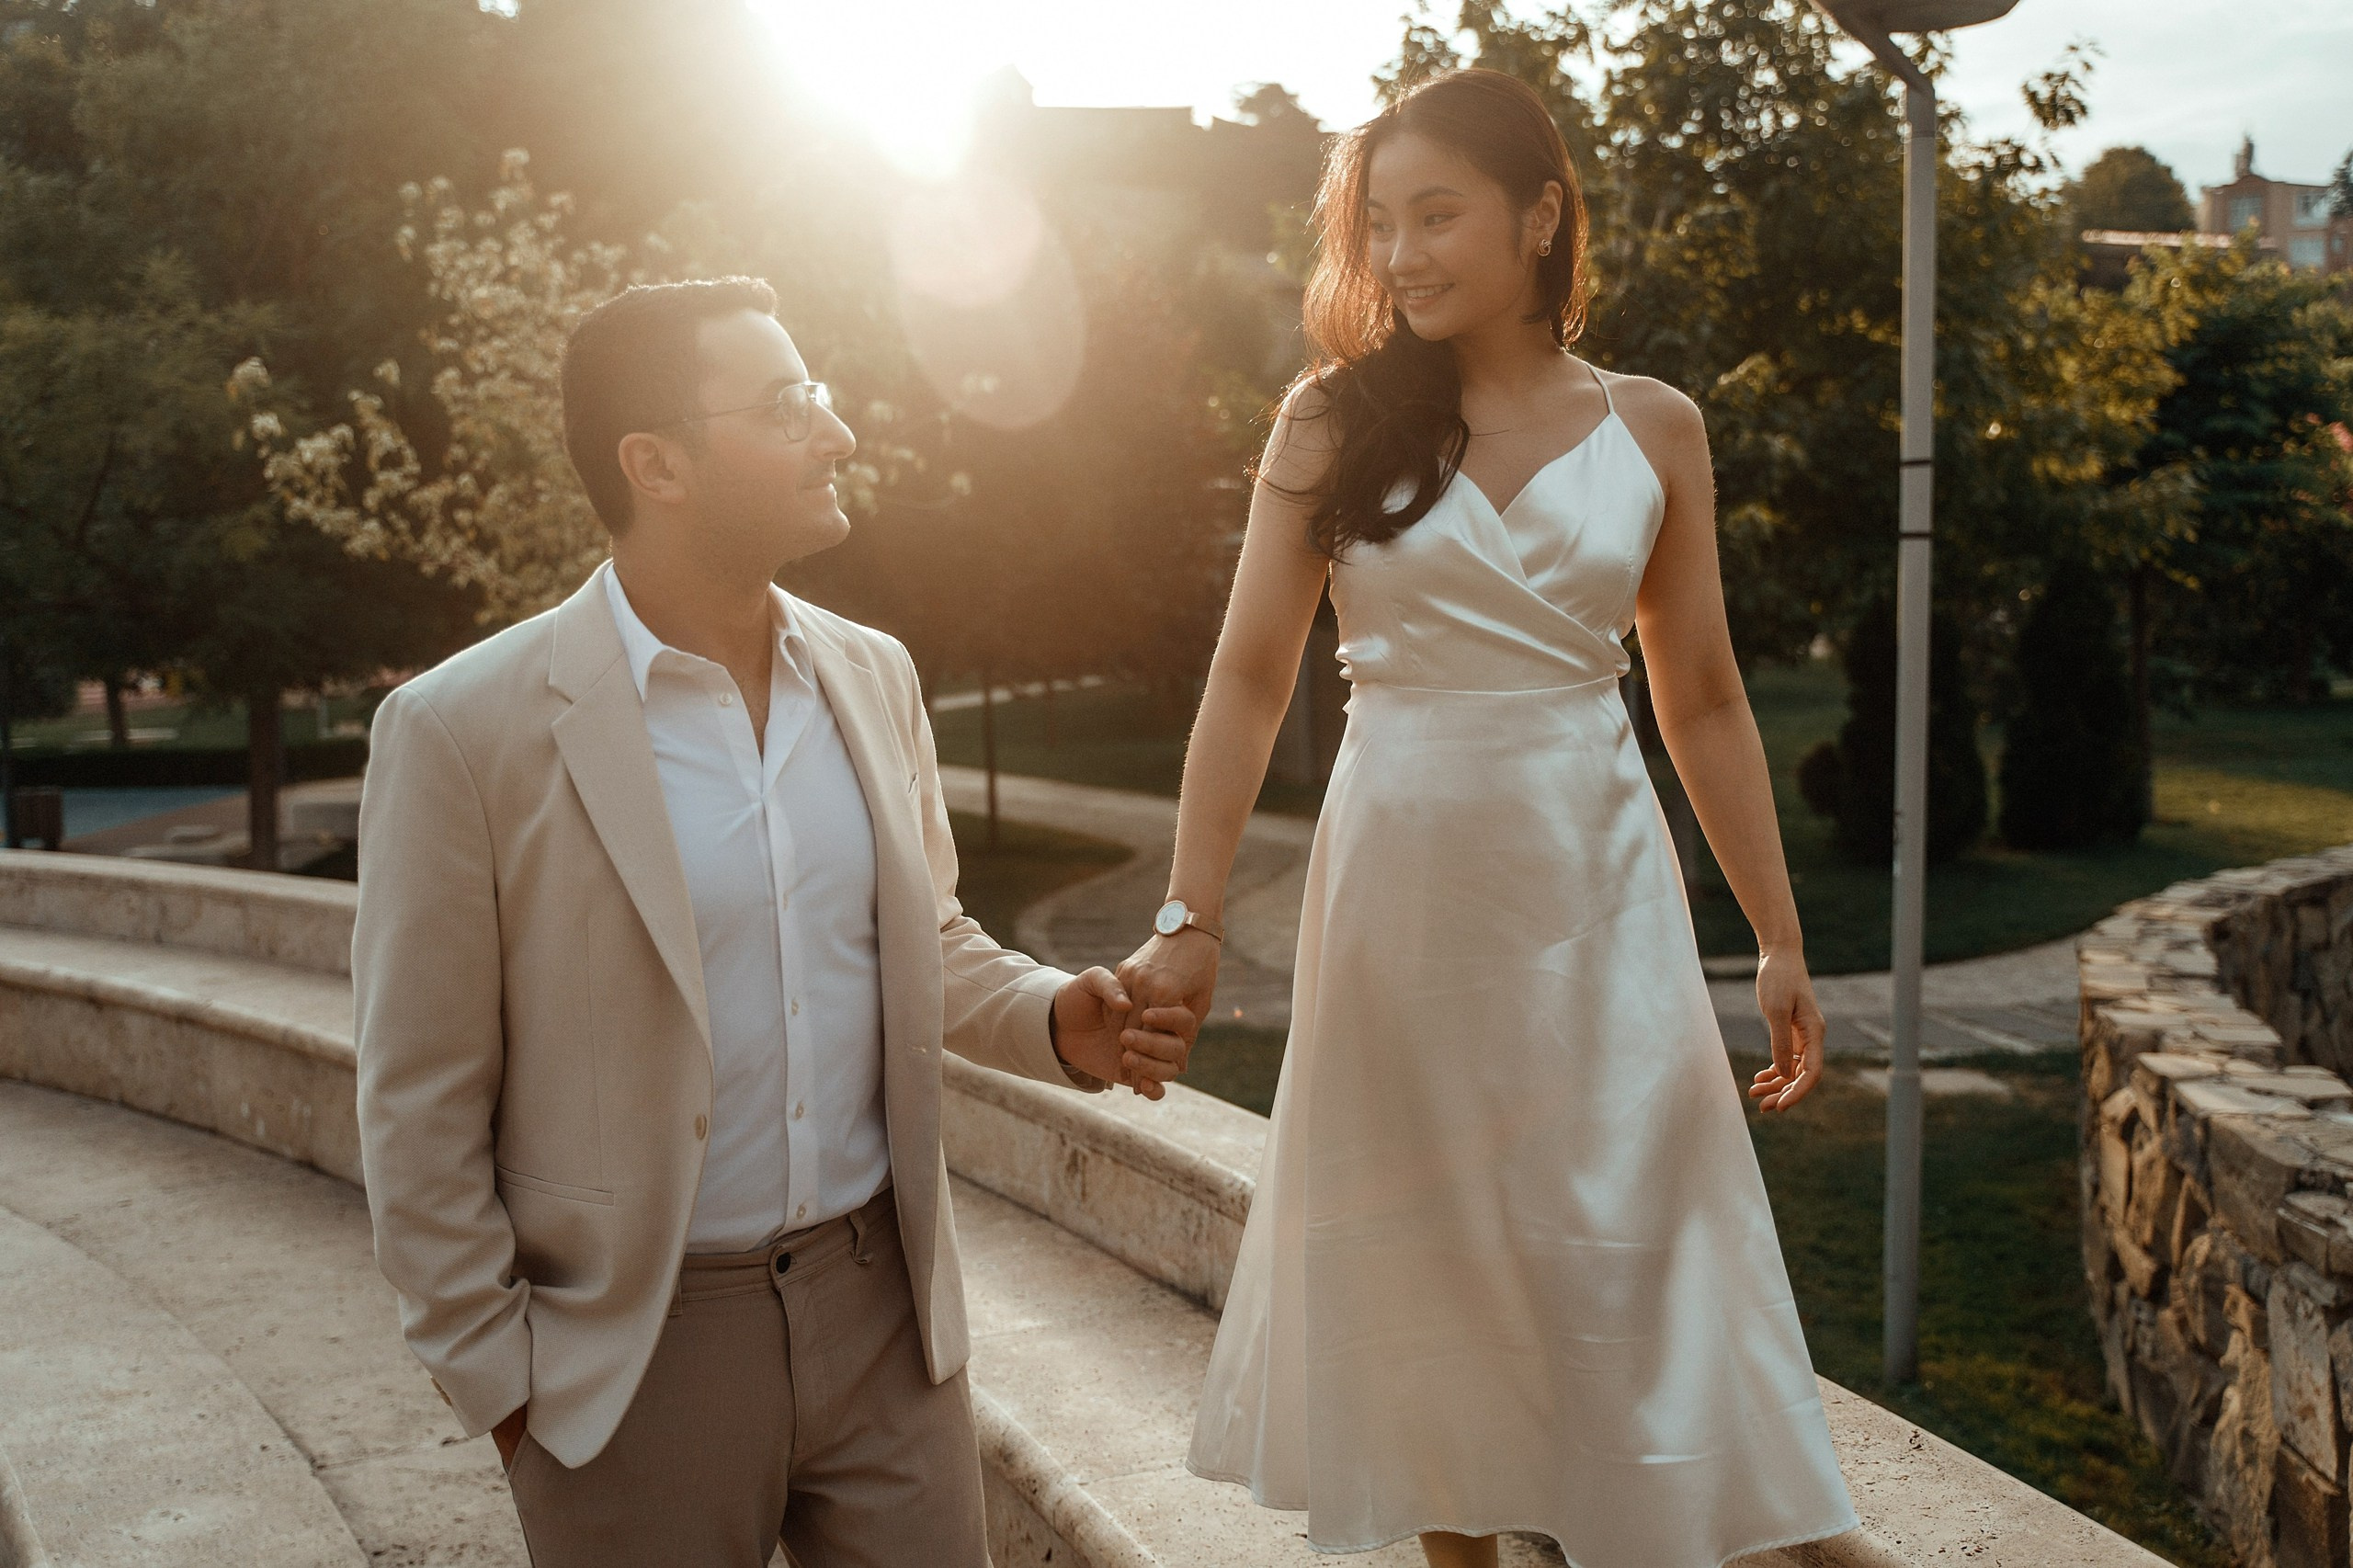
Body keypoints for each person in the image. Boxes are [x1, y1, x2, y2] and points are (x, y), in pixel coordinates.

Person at [1119, 70, 1859, 1567]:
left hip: (1596, 879)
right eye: (1379, 223)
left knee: (1641, 1220)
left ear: (1540, 213)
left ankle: (1768, 1526)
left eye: (1435, 214)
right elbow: (1251, 677)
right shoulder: (1332, 420)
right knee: (1430, 1251)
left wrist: (1777, 933)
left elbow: (1702, 697)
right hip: (1406, 885)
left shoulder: (1658, 429)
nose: (1399, 255)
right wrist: (1189, 917)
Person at [352, 277, 1194, 1568]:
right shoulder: (462, 730)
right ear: (658, 463)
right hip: (634, 1353)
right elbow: (417, 1094)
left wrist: (1050, 1015)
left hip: (886, 1318)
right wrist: (506, 1386)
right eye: (788, 403)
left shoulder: (873, 672)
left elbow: (933, 938)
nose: (836, 432)